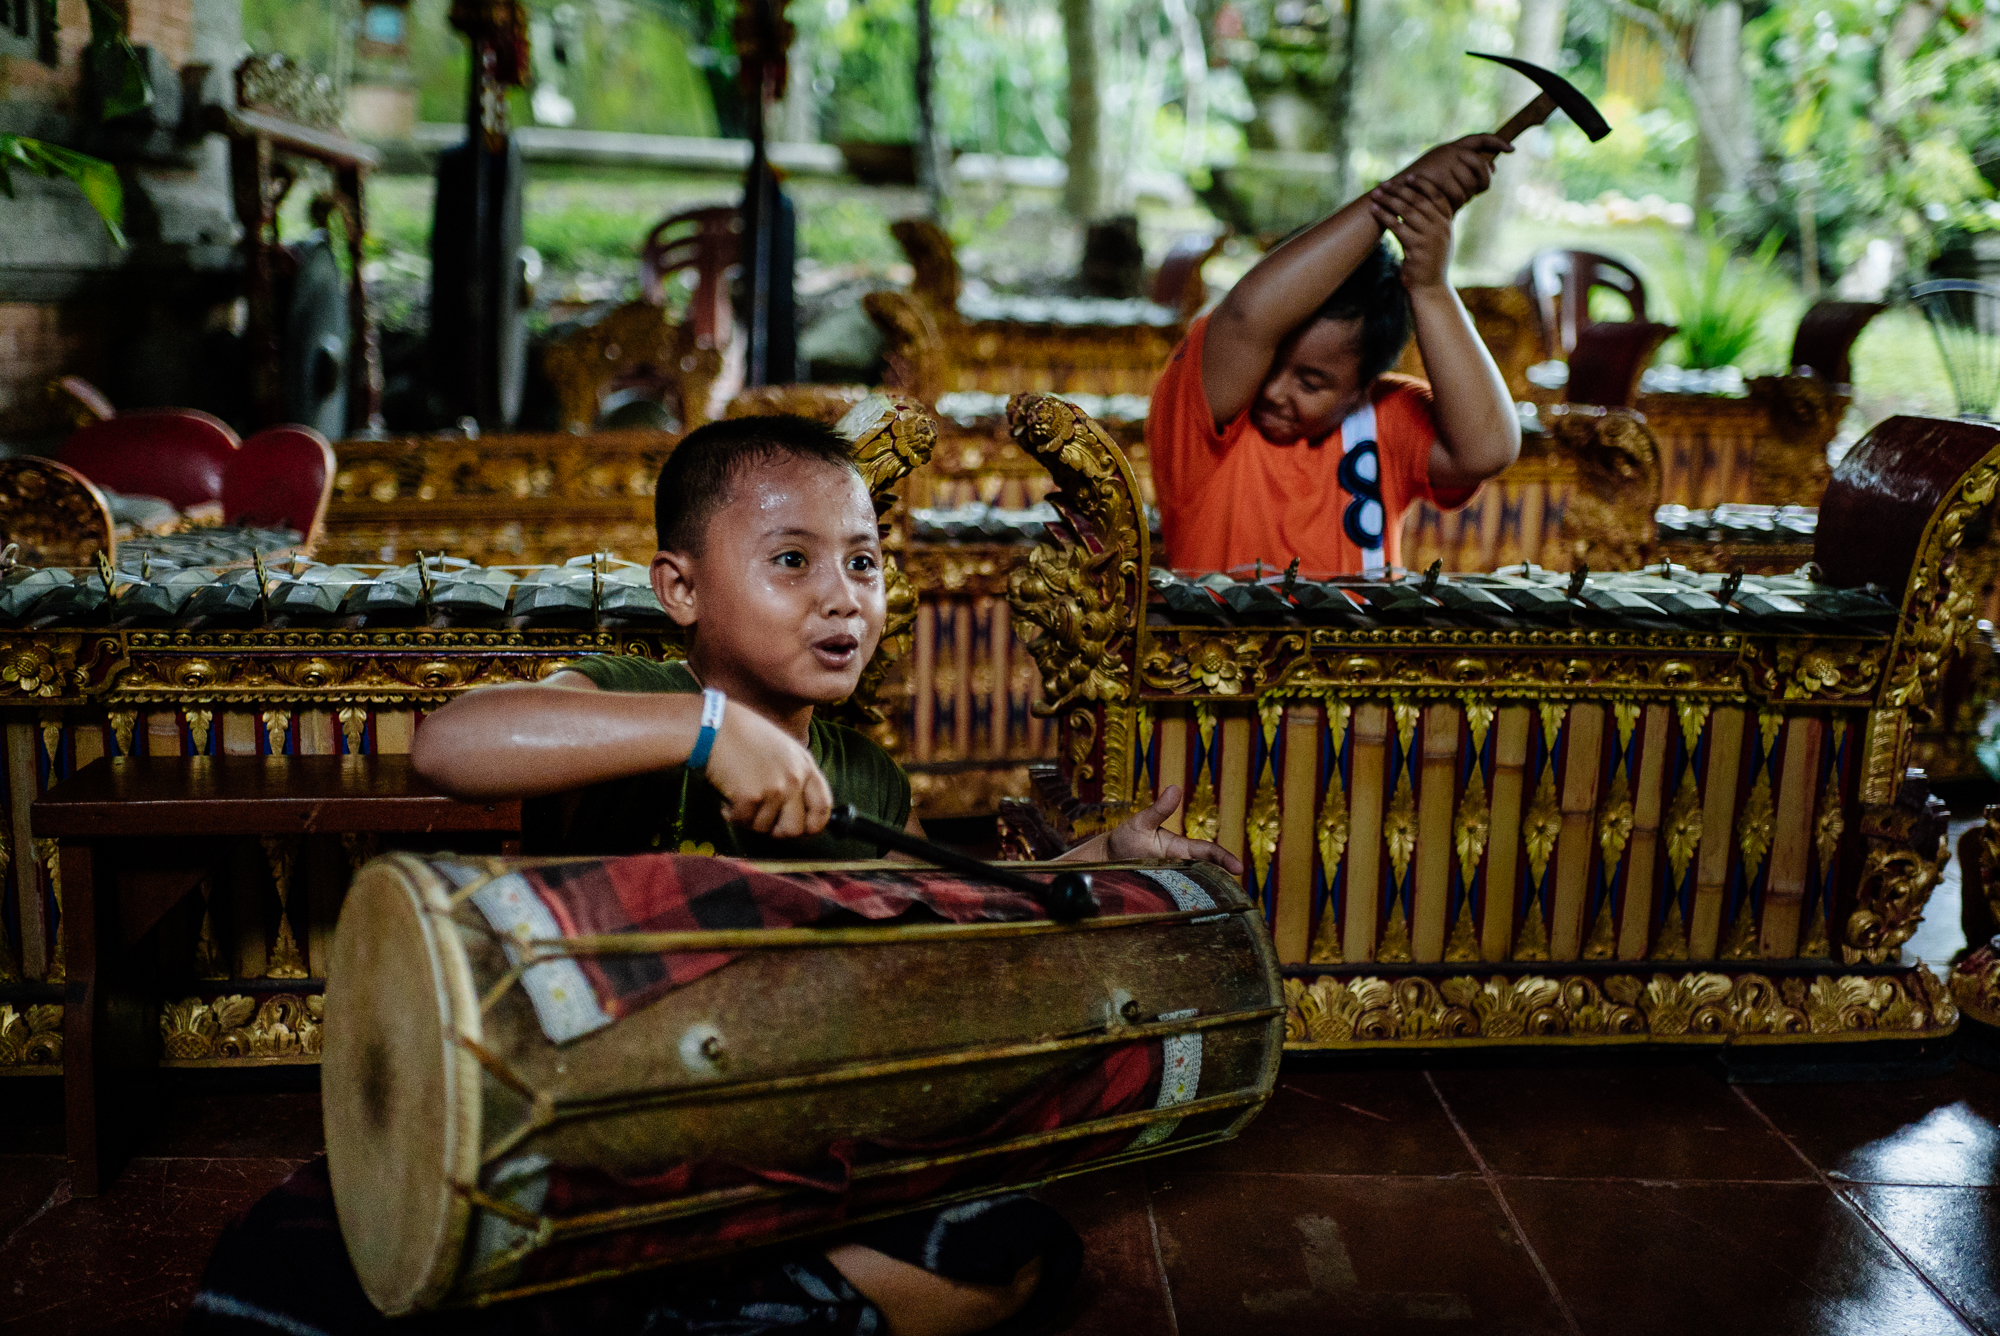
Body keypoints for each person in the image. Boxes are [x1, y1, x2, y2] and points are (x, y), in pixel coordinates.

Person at [191, 414, 1241, 1336]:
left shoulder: (862, 772)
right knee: (300, 1268)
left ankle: (647, 1288)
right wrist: (703, 730)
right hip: (593, 1116)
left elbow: (935, 914)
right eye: (791, 561)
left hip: (763, 1132)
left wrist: (1092, 863)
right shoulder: (631, 695)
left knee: (1005, 1263)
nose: (842, 598)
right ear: (680, 588)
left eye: (864, 562)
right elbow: (452, 744)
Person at [1149, 134, 1524, 578]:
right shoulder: (1206, 417)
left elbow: (1488, 450)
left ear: (1361, 387)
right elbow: (1247, 315)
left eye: (1311, 382)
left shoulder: (1383, 416)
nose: (1273, 390)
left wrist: (1431, 288)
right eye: (1267, 362)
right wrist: (1404, 188)